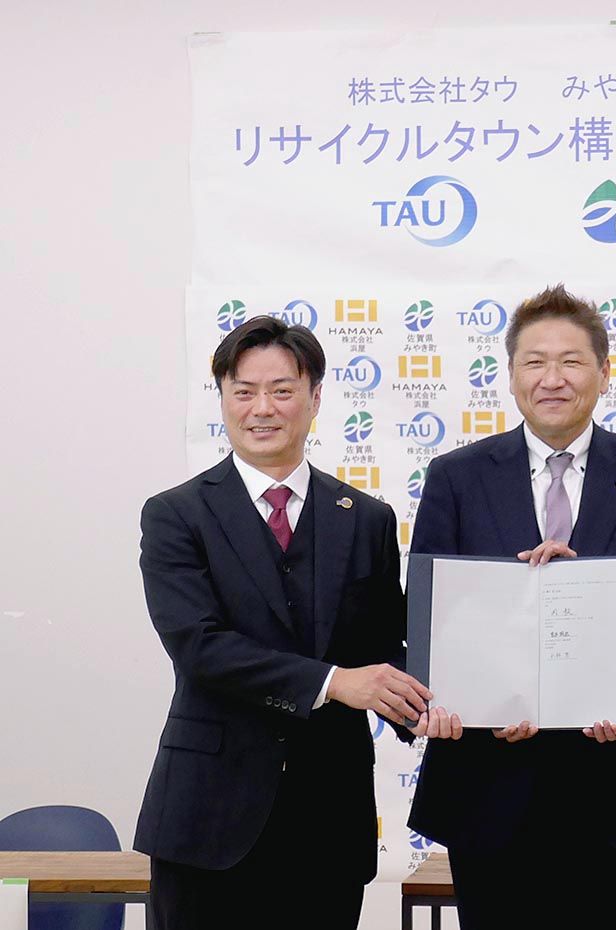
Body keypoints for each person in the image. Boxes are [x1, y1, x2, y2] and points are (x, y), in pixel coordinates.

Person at [407, 284, 616, 930]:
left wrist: (600, 594)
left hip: (611, 776)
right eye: (535, 362)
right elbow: (429, 615)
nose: (552, 379)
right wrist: (484, 700)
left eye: (571, 361)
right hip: (485, 776)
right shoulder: (457, 476)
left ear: (604, 373)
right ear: (511, 375)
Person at [134, 316, 434, 930]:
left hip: (329, 820)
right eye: (244, 391)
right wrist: (334, 682)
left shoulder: (366, 518)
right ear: (222, 398)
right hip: (209, 818)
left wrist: (436, 705)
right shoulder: (176, 515)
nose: (262, 408)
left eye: (282, 390)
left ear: (315, 398)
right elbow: (200, 647)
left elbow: (385, 648)